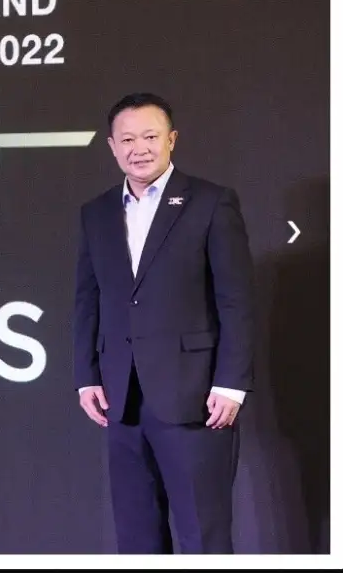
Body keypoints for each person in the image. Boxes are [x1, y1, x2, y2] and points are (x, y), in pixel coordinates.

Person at [72, 92, 255, 554]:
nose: (139, 148)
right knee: (136, 538)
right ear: (112, 146)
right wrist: (86, 377)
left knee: (202, 536)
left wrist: (231, 383)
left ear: (171, 139)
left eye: (150, 137)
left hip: (195, 398)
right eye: (127, 139)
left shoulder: (210, 203)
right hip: (122, 400)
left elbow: (236, 300)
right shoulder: (96, 212)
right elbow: (88, 299)